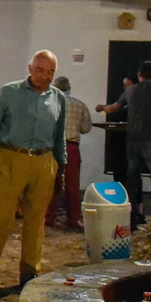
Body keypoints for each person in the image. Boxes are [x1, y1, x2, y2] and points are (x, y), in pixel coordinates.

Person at [0, 50, 66, 288]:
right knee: (1, 216)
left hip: (44, 161)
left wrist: (61, 166)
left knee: (36, 219)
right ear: (29, 68)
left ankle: (29, 270)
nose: (44, 76)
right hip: (11, 157)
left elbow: (60, 136)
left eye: (50, 72)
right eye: (40, 70)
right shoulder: (9, 92)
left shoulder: (58, 98)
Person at [99, 61, 151, 229]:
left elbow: (113, 108)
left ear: (140, 74)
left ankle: (130, 218)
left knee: (131, 177)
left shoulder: (130, 90)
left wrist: (101, 107)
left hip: (133, 139)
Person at [46, 76, 93, 229]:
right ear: (69, 88)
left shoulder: (50, 103)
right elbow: (86, 128)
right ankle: (73, 219)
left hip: (53, 146)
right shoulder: (80, 105)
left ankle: (49, 217)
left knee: (52, 182)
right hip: (72, 146)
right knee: (72, 184)